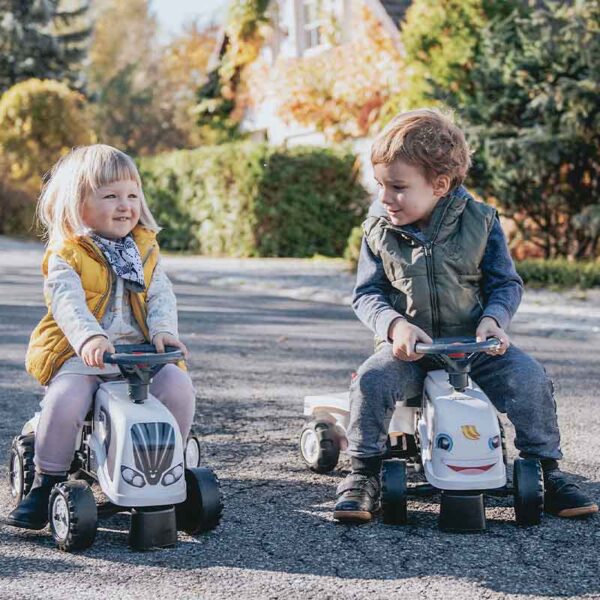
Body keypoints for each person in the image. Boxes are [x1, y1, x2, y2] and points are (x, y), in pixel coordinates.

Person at [334, 109, 598, 523]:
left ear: (439, 185)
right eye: (381, 185)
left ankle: (547, 470)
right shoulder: (378, 230)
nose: (385, 198)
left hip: (477, 346)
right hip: (413, 351)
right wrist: (394, 325)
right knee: (371, 380)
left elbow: (505, 283)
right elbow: (367, 294)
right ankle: (363, 472)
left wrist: (495, 319)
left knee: (530, 379)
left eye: (398, 187)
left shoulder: (482, 222)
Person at [5, 144, 196, 530]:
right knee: (67, 398)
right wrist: (89, 338)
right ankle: (47, 480)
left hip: (138, 351)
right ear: (78, 204)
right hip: (84, 354)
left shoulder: (144, 249)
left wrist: (163, 332)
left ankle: (164, 465)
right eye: (110, 196)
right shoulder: (68, 254)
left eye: (131, 195)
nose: (124, 205)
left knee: (177, 384)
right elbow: (67, 303)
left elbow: (160, 294)